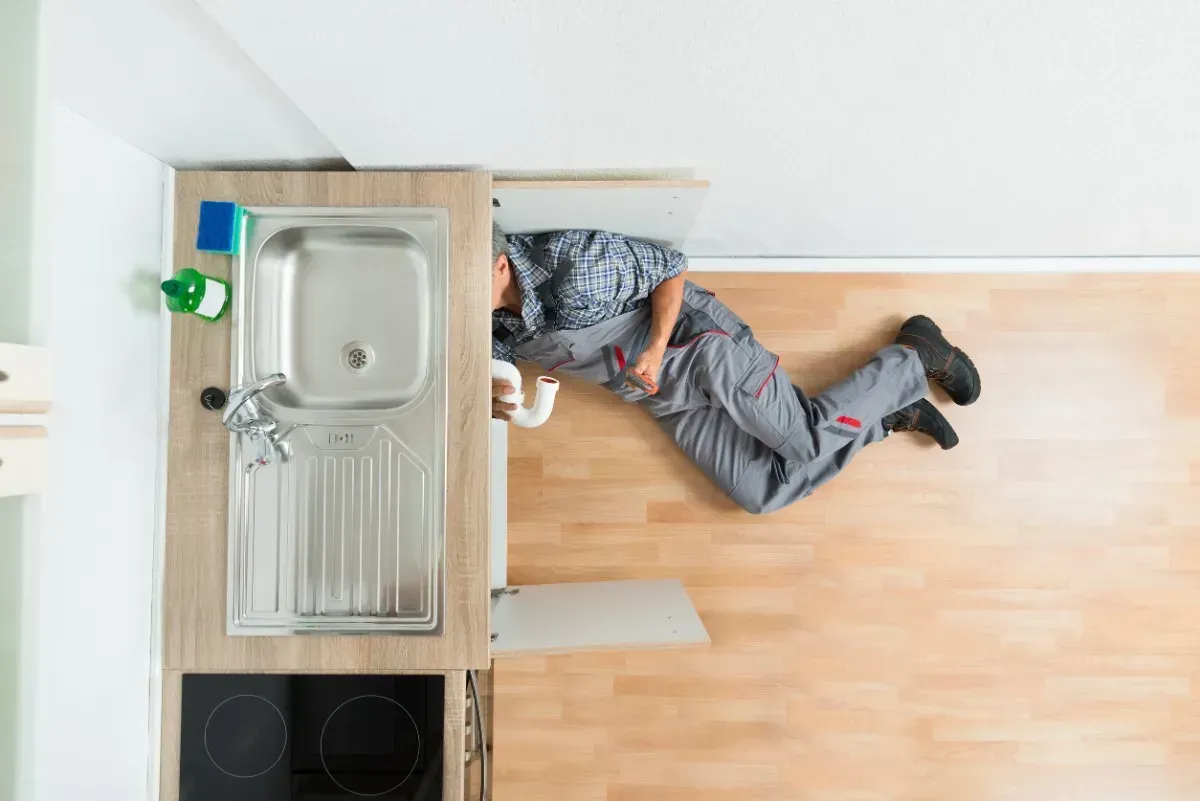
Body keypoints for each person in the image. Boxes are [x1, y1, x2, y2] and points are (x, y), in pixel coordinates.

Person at [490, 224, 980, 515]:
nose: (464, 303)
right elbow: (500, 359)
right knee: (760, 492)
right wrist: (500, 389)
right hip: (658, 394)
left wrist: (657, 347)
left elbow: (670, 267)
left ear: (500, 265)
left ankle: (917, 354)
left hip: (699, 349)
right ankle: (886, 414)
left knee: (806, 441)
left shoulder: (571, 267)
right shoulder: (492, 319)